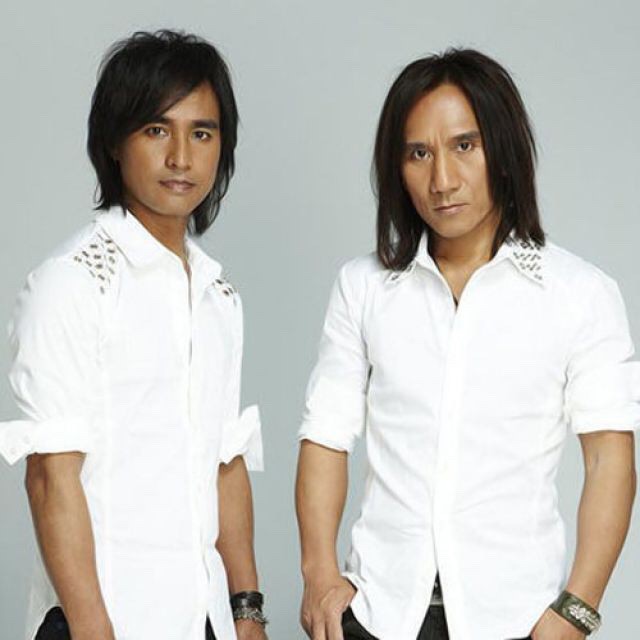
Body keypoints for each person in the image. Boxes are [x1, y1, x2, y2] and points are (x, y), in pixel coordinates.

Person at [295, 48, 638, 640]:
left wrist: (577, 611)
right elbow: (325, 434)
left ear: (502, 150)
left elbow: (609, 459)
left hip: (517, 620)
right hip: (381, 615)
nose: (442, 180)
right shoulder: (363, 286)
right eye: (418, 153)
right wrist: (319, 573)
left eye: (464, 146)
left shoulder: (580, 293)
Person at [0, 30, 267, 640]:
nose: (181, 157)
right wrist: (96, 630)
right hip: (103, 619)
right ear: (114, 142)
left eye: (202, 133)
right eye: (156, 130)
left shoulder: (219, 296)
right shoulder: (72, 283)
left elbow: (225, 463)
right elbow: (50, 478)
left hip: (204, 619)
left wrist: (246, 611)